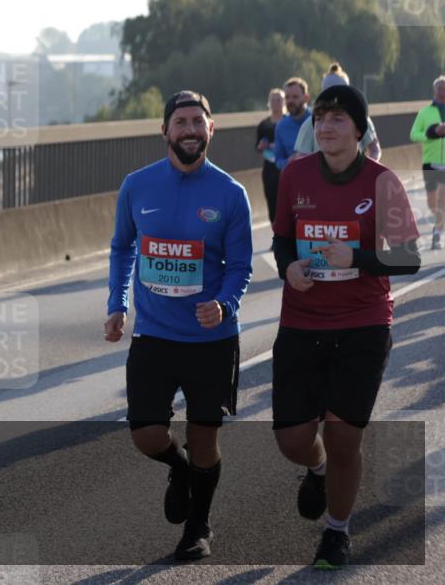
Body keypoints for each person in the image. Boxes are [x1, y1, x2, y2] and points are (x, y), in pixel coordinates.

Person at [270, 85, 420, 569]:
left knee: (342, 436)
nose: (327, 126)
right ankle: (315, 469)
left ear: (359, 129)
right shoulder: (295, 175)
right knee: (293, 439)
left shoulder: (383, 182)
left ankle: (337, 530)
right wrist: (288, 268)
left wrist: (356, 257)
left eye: (338, 118)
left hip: (363, 322)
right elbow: (282, 241)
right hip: (302, 319)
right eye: (320, 118)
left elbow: (409, 258)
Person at [104, 90, 253, 560]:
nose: (189, 130)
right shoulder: (137, 185)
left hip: (211, 339)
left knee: (205, 437)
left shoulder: (231, 193)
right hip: (153, 334)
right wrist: (117, 303)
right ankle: (180, 467)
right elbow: (122, 248)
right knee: (146, 435)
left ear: (211, 130)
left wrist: (225, 304)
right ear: (165, 131)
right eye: (180, 122)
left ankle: (198, 527)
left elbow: (241, 265)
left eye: (197, 122)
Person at [293, 63, 381, 161]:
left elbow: (374, 150)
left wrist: (365, 172)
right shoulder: (310, 123)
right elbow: (301, 159)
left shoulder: (360, 118)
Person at [409, 75, 445, 250]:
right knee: (432, 203)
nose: (442, 91)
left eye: (444, 88)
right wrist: (431, 134)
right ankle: (440, 221)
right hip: (430, 163)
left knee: (441, 199)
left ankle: (436, 235)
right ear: (434, 90)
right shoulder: (425, 112)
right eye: (439, 88)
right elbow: (413, 134)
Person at [256, 88, 286, 225]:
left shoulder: (289, 122)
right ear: (269, 103)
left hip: (287, 167)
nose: (276, 103)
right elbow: (257, 146)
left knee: (287, 202)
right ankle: (275, 235)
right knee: (272, 201)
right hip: (269, 169)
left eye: (279, 99)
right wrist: (262, 145)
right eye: (273, 100)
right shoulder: (263, 124)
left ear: (283, 102)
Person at [274, 77, 311, 170]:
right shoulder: (281, 127)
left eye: (295, 97)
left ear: (306, 98)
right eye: (287, 97)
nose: (290, 101)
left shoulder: (319, 121)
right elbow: (278, 160)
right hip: (295, 179)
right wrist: (289, 161)